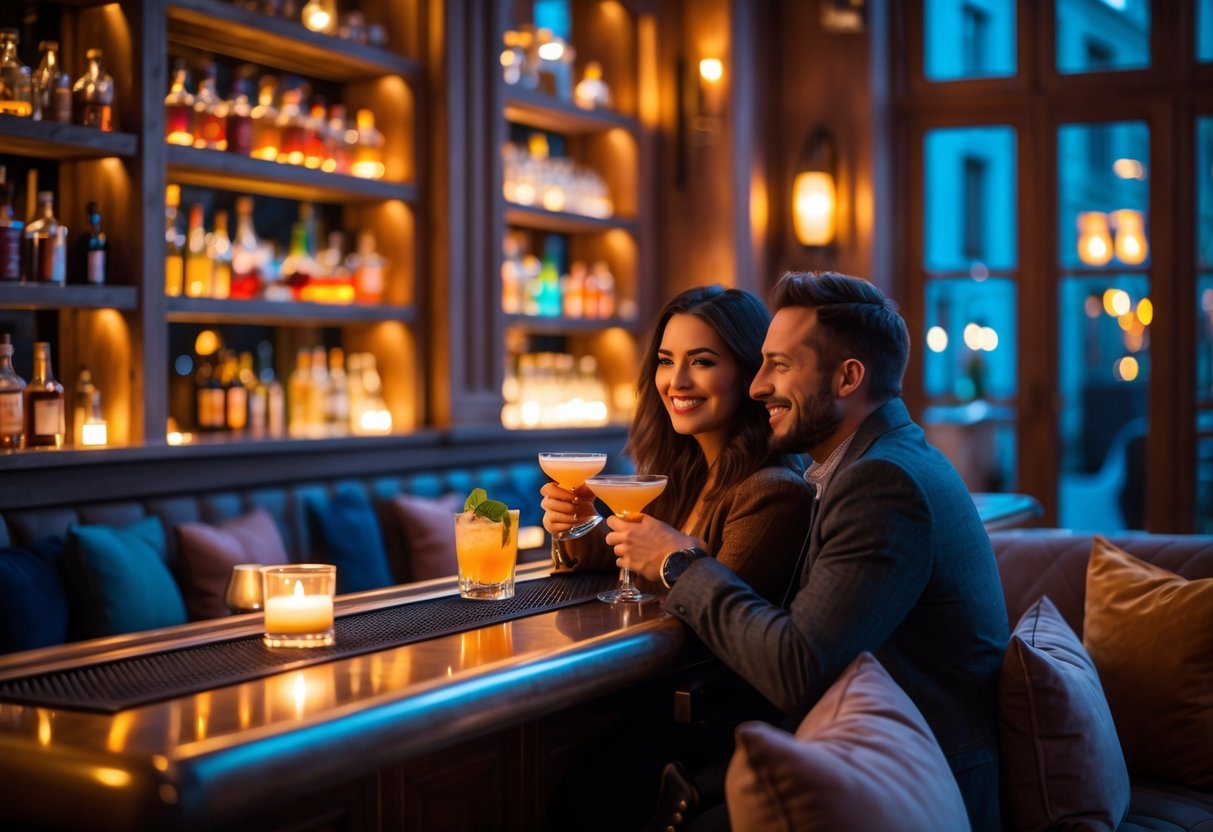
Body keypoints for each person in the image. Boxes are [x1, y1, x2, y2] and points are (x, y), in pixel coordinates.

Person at [609, 272, 1010, 830]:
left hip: (921, 784)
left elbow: (798, 668)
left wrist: (679, 562)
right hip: (883, 756)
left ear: (848, 377)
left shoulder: (883, 484)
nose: (757, 387)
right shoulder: (873, 462)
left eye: (780, 366)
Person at [541, 284, 814, 604]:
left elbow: (730, 618)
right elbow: (632, 563)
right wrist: (581, 521)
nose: (677, 382)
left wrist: (676, 563)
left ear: (749, 373)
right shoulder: (679, 469)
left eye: (702, 362)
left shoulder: (773, 491)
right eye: (666, 361)